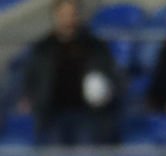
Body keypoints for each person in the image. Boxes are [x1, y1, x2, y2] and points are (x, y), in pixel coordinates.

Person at [20, 0, 121, 145]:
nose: (68, 19)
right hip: (52, 114)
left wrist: (108, 90)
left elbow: (112, 77)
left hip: (88, 114)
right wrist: (29, 98)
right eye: (64, 15)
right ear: (56, 16)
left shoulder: (96, 47)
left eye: (72, 14)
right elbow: (31, 78)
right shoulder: (43, 49)